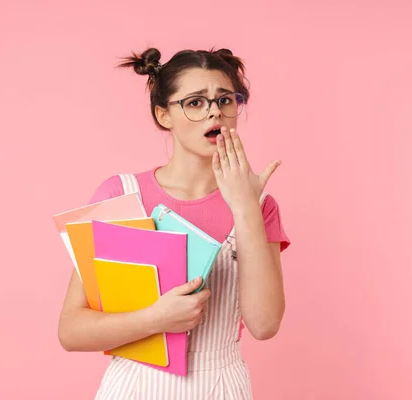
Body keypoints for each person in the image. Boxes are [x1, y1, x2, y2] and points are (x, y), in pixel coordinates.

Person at [57, 47, 291, 399]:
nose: (215, 111)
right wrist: (155, 319)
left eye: (225, 100)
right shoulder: (122, 196)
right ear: (164, 115)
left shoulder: (259, 206)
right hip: (135, 386)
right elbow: (71, 331)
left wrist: (244, 209)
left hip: (221, 388)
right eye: (195, 103)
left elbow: (264, 324)